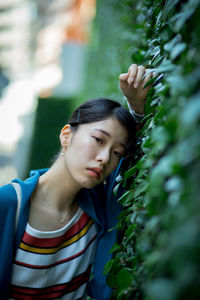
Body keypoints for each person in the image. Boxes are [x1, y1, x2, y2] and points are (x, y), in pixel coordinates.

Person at [0, 64, 153, 300]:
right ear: (66, 135)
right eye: (98, 139)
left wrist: (137, 107)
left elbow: (129, 164)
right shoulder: (8, 204)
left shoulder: (98, 205)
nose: (104, 158)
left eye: (116, 153)